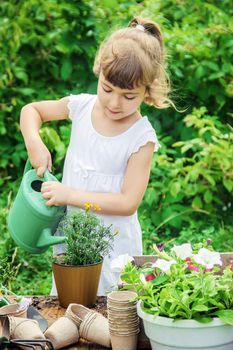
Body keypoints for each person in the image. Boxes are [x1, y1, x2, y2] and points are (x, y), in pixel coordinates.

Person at [20, 16, 173, 295]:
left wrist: (69, 196)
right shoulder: (81, 107)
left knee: (114, 314)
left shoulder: (141, 137)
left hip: (115, 245)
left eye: (129, 96)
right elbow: (32, 111)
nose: (115, 103)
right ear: (99, 71)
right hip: (73, 238)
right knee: (70, 305)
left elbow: (128, 202)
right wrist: (35, 142)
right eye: (107, 89)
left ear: (147, 91)